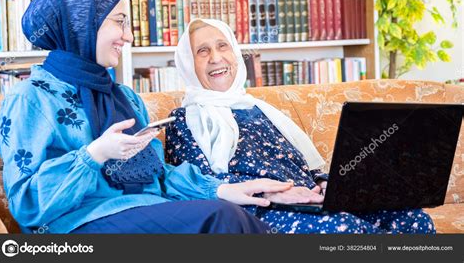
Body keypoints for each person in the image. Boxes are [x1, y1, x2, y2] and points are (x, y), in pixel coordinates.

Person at [0, 0, 295, 234]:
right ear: (81, 24)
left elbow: (158, 173)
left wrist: (222, 189)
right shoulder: (30, 99)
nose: (128, 36)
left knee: (234, 212)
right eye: (119, 22)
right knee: (221, 219)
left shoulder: (125, 97)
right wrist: (94, 154)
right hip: (78, 224)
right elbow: (26, 204)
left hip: (146, 209)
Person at [165, 18, 436, 234]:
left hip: (307, 200)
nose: (215, 57)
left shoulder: (261, 109)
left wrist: (326, 185)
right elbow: (201, 184)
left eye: (222, 46)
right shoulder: (185, 120)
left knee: (413, 220)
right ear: (189, 64)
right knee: (344, 229)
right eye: (202, 51)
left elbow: (304, 167)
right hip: (258, 210)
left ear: (235, 53)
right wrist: (271, 193)